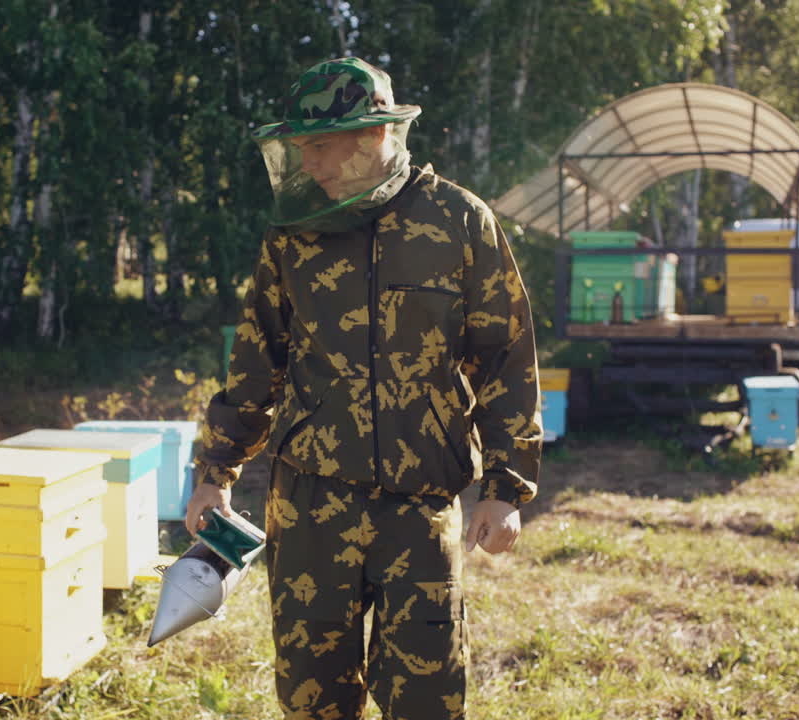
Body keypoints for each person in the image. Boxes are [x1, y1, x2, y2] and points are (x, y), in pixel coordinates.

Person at [186, 57, 542, 720]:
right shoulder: (291, 234)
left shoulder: (460, 222)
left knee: (428, 700)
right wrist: (216, 471)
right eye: (300, 149)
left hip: (421, 506)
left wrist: (506, 488)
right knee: (312, 696)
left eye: (320, 147)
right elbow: (256, 358)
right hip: (309, 501)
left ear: (376, 137)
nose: (310, 165)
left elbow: (505, 359)